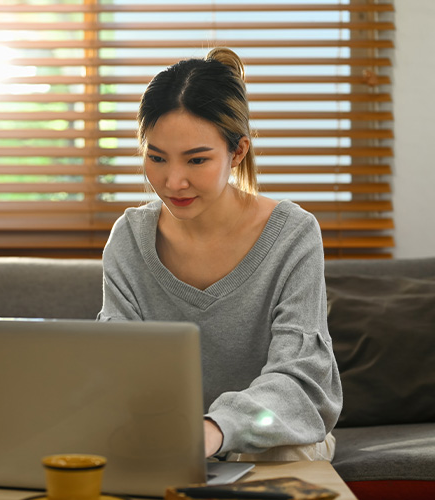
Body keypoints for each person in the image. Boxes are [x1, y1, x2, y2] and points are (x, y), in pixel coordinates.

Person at [96, 47, 343, 461]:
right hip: (164, 442)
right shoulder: (128, 239)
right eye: (156, 158)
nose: (173, 181)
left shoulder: (294, 235)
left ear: (238, 151)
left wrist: (215, 430)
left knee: (284, 454)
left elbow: (303, 384)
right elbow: (112, 369)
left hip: (269, 437)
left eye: (196, 160)